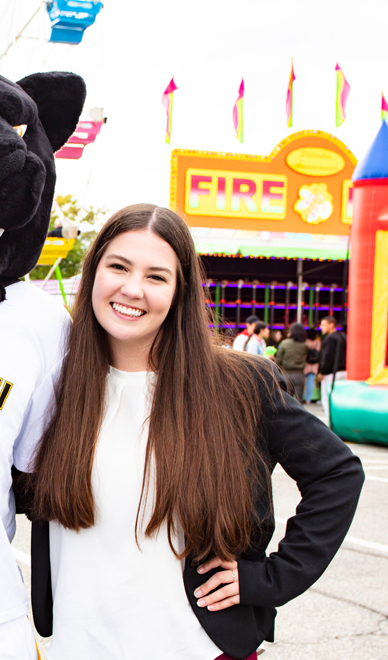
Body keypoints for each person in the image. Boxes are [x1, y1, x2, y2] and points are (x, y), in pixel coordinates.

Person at [27, 204, 364, 660]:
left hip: (199, 647)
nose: (132, 289)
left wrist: (271, 579)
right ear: (94, 272)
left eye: (156, 276)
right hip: (77, 644)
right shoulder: (55, 384)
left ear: (180, 290)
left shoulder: (239, 384)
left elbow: (338, 473)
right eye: (119, 267)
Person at [318, 315, 347, 413]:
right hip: (344, 371)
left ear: (331, 325)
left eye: (323, 325)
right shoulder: (342, 336)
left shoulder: (329, 338)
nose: (321, 327)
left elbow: (327, 357)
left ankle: (330, 423)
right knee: (341, 399)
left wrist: (322, 372)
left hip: (331, 373)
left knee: (327, 398)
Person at [275, 322, 309, 401]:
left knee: (286, 400)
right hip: (300, 374)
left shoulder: (284, 343)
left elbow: (278, 360)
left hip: (286, 374)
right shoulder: (305, 345)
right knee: (298, 400)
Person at [303, 328, 321, 403]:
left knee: (302, 382)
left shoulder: (305, 342)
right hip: (314, 365)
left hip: (305, 364)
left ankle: (301, 397)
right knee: (311, 382)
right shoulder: (318, 342)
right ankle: (308, 399)